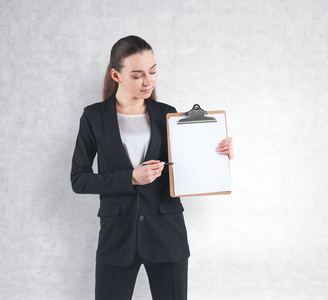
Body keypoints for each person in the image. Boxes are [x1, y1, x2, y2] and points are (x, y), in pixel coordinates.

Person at [70, 35, 234, 300]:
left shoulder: (168, 114)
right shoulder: (93, 116)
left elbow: (184, 170)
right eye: (137, 75)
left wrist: (218, 155)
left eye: (153, 71)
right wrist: (130, 178)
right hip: (117, 237)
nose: (148, 81)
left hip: (167, 232)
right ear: (116, 75)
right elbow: (79, 179)